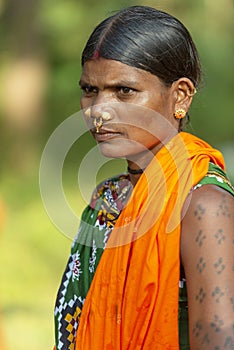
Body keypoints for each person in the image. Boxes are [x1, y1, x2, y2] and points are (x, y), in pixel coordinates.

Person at [54, 6, 234, 350]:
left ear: (180, 95)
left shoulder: (203, 205)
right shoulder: (107, 200)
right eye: (90, 90)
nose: (99, 110)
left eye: (124, 91)